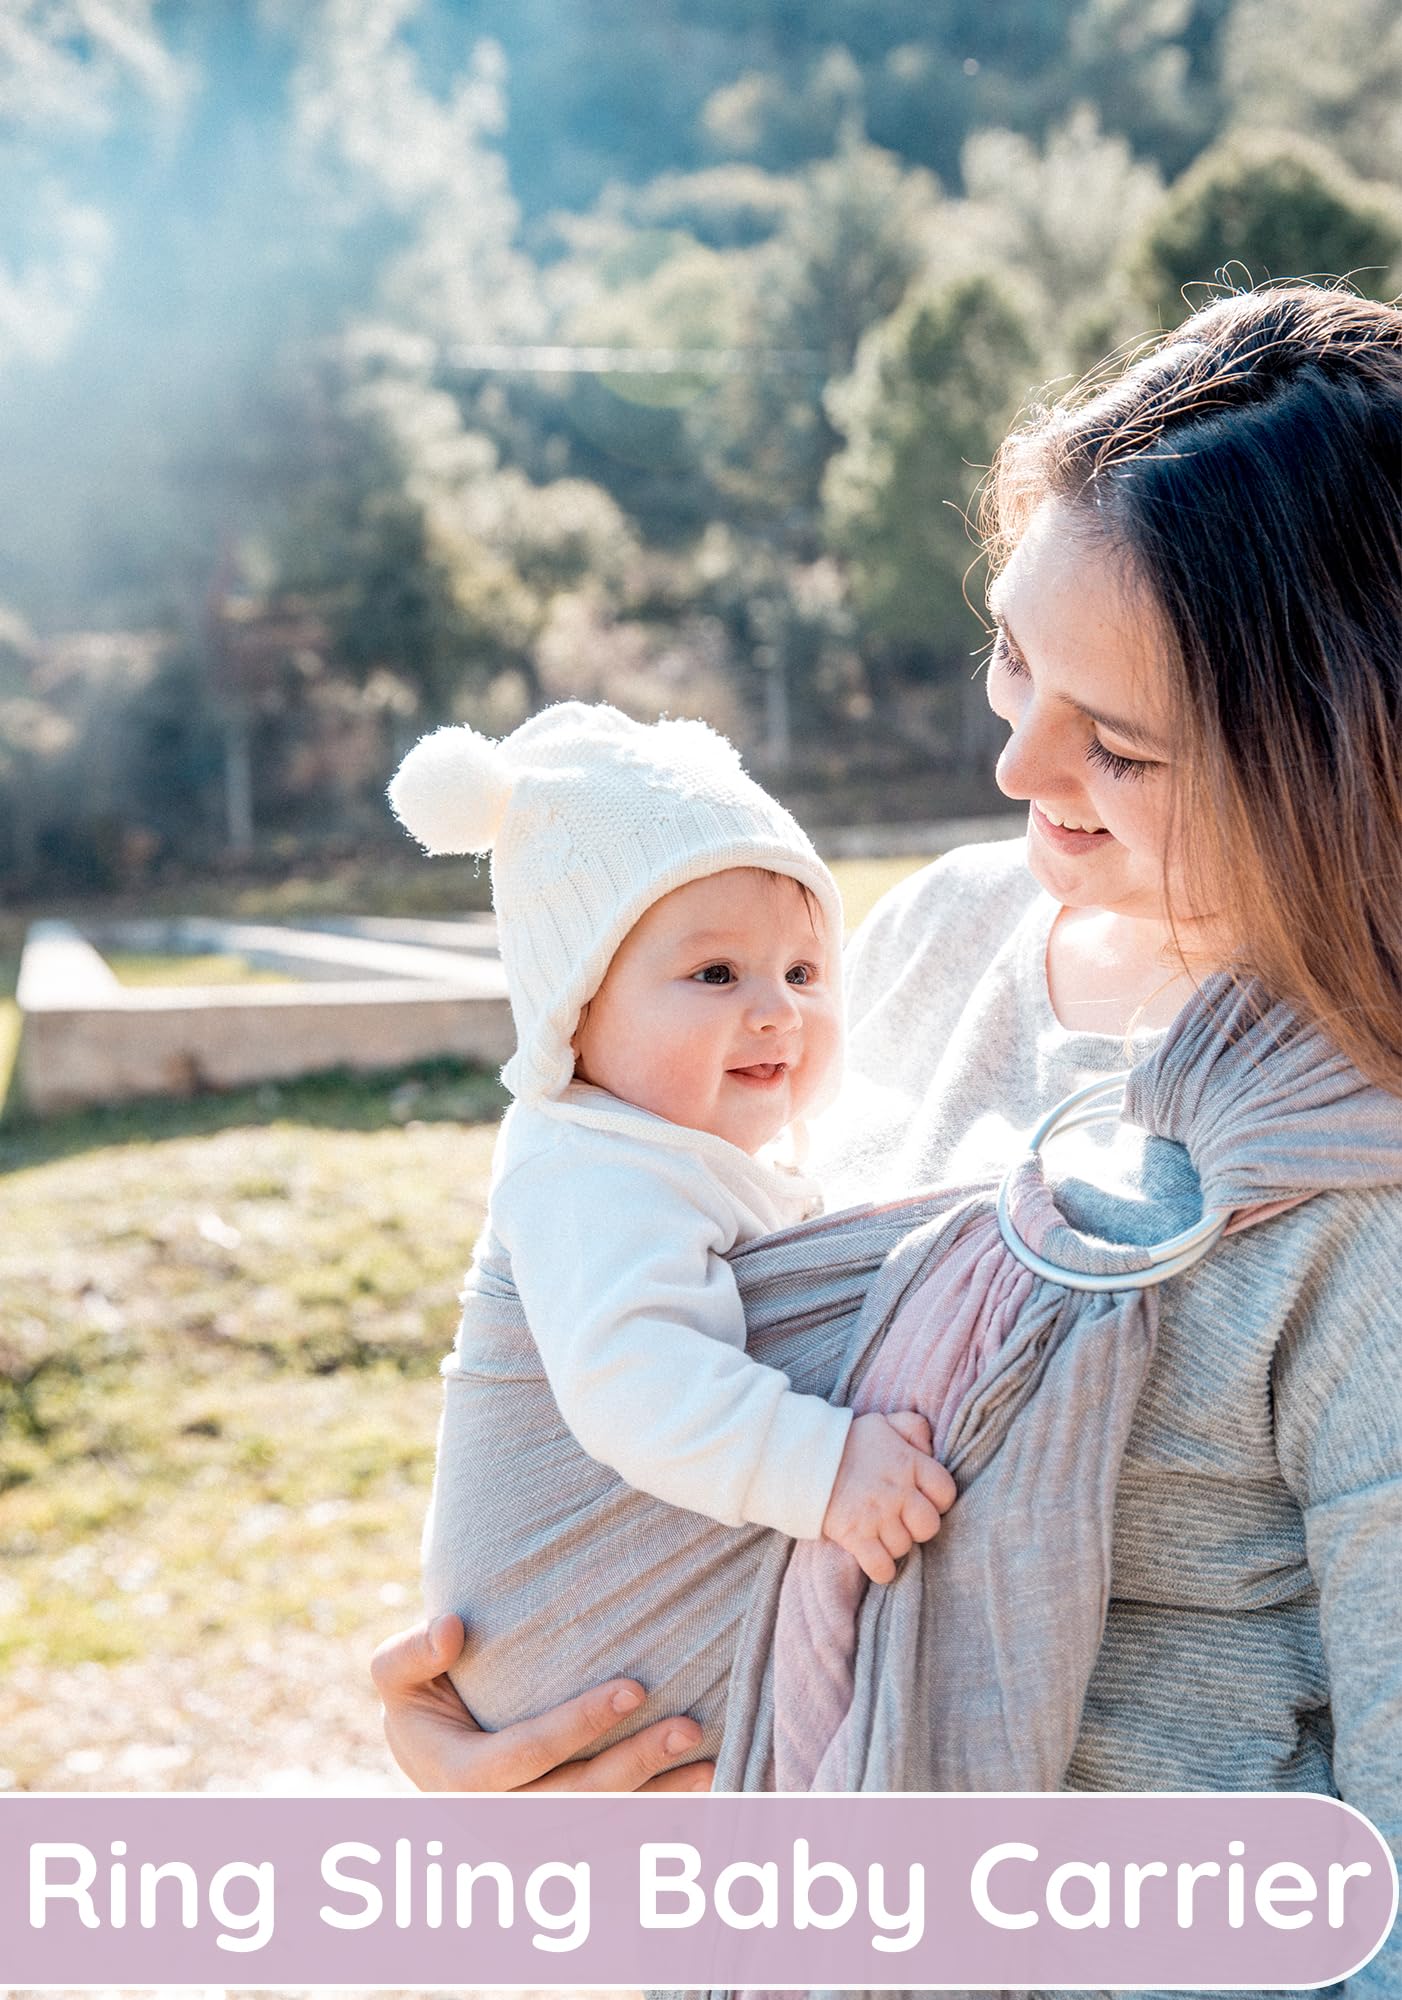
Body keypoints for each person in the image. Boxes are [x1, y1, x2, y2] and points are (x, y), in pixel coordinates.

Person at [371, 284, 1402, 1956]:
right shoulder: (932, 939)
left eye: (1117, 749)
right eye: (1011, 653)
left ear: (1327, 758)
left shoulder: (1358, 1179)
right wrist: (511, 1731)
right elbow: (744, 1415)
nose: (1015, 768)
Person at [386, 704, 956, 1744]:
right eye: (715, 974)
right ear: (574, 1007)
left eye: (801, 970)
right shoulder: (589, 1168)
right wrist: (825, 1467)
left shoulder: (670, 1149)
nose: (776, 1009)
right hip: (566, 1634)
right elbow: (637, 1379)